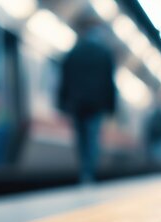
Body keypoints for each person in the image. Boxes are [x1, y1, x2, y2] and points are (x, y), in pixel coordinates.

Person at [58, 19, 116, 183]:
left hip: (77, 103)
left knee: (81, 138)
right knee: (92, 136)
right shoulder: (104, 53)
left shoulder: (74, 52)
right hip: (96, 104)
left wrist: (62, 102)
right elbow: (109, 83)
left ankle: (84, 169)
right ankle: (89, 173)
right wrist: (111, 106)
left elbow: (65, 80)